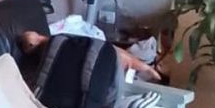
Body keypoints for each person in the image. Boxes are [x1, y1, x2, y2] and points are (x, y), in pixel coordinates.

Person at [20, 23, 161, 81]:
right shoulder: (51, 45)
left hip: (96, 53)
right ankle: (147, 69)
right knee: (116, 57)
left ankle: (147, 69)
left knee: (117, 55)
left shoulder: (53, 41)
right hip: (94, 58)